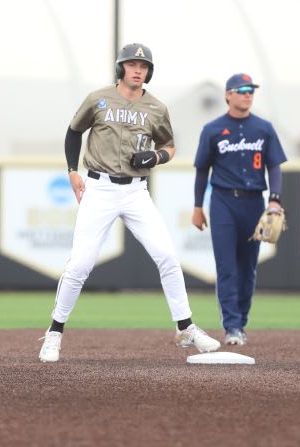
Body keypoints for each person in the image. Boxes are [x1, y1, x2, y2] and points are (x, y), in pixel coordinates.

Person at [39, 43, 220, 362]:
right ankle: (54, 334)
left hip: (136, 191)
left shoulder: (157, 108)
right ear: (121, 67)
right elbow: (73, 132)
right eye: (132, 63)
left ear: (149, 71)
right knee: (80, 264)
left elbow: (169, 146)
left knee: (166, 255)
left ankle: (186, 328)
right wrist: (71, 170)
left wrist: (157, 156)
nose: (138, 69)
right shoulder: (98, 98)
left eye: (144, 65)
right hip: (99, 188)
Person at [191, 73, 287, 346]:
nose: (247, 94)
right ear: (228, 95)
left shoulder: (264, 128)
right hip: (222, 202)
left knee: (248, 269)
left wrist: (275, 200)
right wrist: (198, 207)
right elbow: (201, 171)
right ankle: (232, 326)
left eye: (251, 90)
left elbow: (274, 166)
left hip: (254, 202)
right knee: (226, 267)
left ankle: (241, 322)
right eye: (242, 90)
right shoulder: (213, 129)